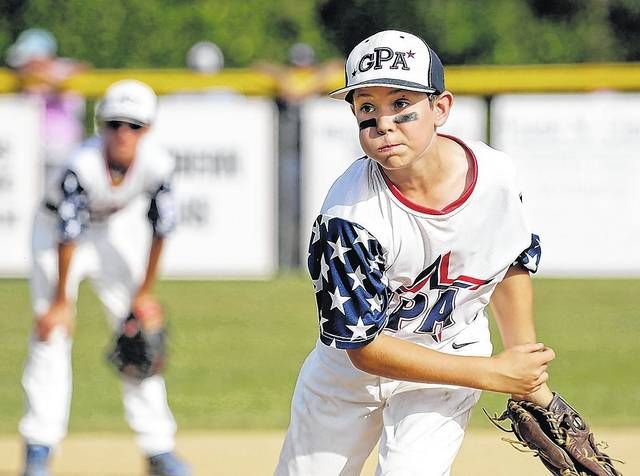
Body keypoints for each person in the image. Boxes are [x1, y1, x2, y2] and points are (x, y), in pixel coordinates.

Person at [275, 30, 555, 476]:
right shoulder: (349, 217)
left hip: (453, 349)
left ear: (441, 107)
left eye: (401, 104)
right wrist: (492, 374)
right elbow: (362, 348)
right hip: (350, 374)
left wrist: (524, 373)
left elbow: (509, 262)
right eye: (367, 107)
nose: (383, 122)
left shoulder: (495, 177)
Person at [20, 79, 190, 476]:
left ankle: (158, 448)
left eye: (133, 125)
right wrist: (61, 301)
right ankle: (39, 445)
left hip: (113, 229)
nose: (123, 134)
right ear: (100, 125)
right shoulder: (81, 166)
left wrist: (144, 294)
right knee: (51, 333)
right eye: (114, 124)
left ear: (147, 129)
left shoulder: (157, 163)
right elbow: (68, 232)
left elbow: (162, 228)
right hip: (55, 238)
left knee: (139, 335)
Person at [5, 28, 87, 188]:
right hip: (33, 152)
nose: (25, 67)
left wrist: (50, 82)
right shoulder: (25, 78)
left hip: (61, 151)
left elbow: (81, 70)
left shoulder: (64, 70)